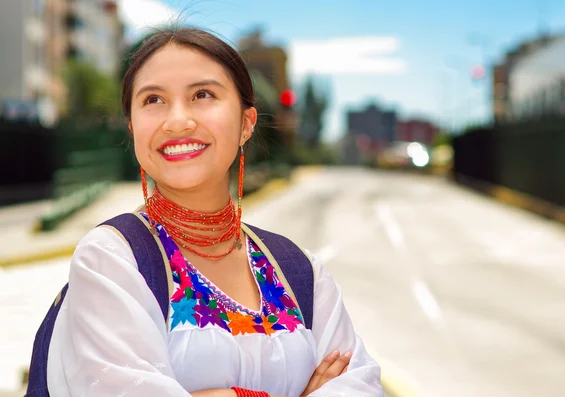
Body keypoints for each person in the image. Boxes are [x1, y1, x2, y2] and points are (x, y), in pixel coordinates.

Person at [46, 27, 383, 397]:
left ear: (246, 124)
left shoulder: (301, 272)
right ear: (132, 127)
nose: (177, 121)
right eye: (153, 100)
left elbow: (360, 385)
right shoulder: (112, 259)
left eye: (202, 94)